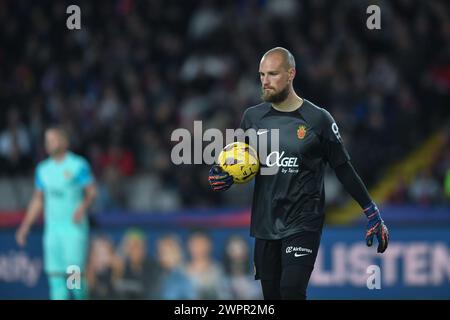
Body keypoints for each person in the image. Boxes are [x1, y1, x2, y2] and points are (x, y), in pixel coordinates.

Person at [208, 47, 389, 300]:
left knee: (291, 290)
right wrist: (223, 175)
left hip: (303, 221)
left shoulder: (318, 120)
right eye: (261, 75)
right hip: (266, 223)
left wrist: (372, 212)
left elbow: (343, 168)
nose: (265, 81)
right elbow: (242, 163)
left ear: (291, 74)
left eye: (272, 74)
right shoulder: (252, 117)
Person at [15, 127, 97, 300]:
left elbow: (91, 192)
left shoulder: (78, 165)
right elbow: (38, 199)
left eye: (53, 139)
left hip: (73, 231)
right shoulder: (43, 169)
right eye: (47, 140)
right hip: (52, 232)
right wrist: (25, 226)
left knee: (73, 279)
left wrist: (83, 206)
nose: (49, 143)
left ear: (64, 141)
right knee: (55, 280)